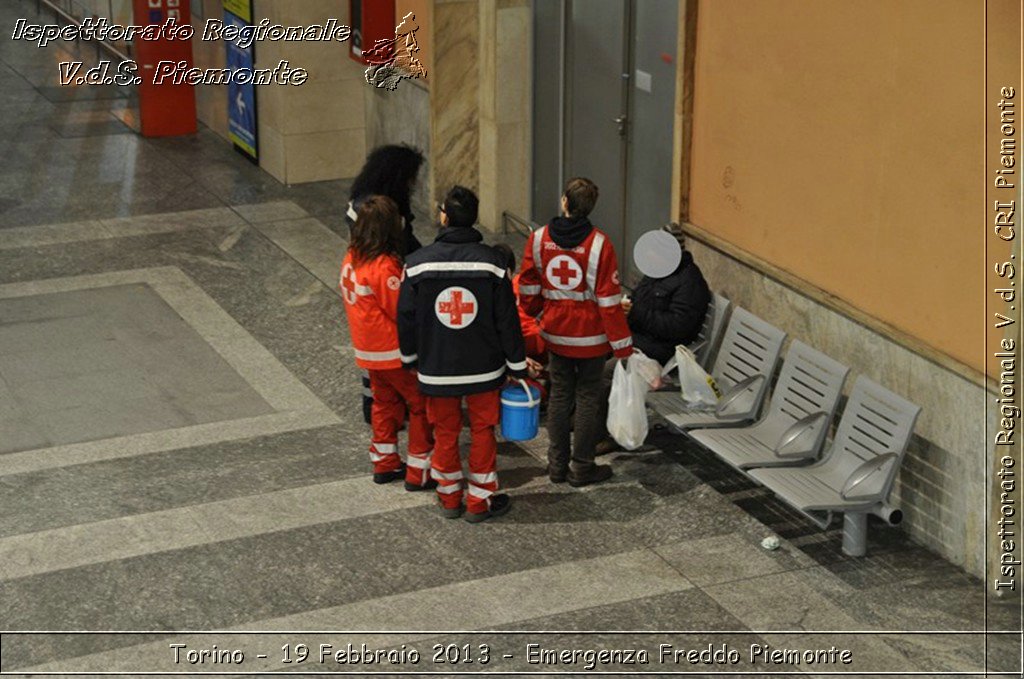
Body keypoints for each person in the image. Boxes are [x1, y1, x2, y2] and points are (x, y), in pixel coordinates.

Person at [398, 186, 527, 522]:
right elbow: (507, 319)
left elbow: (407, 318)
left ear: (444, 216)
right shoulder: (494, 264)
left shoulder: (416, 264)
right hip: (484, 368)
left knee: (445, 431)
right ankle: (479, 503)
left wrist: (410, 359)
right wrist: (518, 364)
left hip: (436, 367)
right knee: (483, 431)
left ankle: (449, 497)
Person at [519, 177, 633, 487]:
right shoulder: (600, 244)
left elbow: (528, 286)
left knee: (559, 397)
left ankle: (556, 466)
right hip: (591, 340)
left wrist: (533, 310)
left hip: (556, 334)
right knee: (586, 399)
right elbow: (610, 303)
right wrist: (623, 348)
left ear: (564, 202)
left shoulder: (539, 238)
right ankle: (582, 467)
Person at [340, 196, 436, 490]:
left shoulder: (351, 257)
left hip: (367, 352)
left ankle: (384, 462)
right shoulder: (383, 266)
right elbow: (401, 312)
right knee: (420, 405)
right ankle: (419, 472)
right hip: (393, 353)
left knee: (383, 403)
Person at [595, 222, 711, 455]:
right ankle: (583, 421)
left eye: (655, 251)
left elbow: (677, 329)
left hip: (660, 352)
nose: (649, 256)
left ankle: (603, 434)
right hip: (638, 340)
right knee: (589, 353)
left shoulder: (690, 282)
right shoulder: (656, 273)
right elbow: (640, 301)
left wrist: (636, 312)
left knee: (606, 372)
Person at [346, 144, 427, 424]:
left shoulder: (361, 207)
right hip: (387, 336)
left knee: (378, 391)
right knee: (416, 401)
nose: (414, 183)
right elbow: (398, 309)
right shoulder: (382, 214)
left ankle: (383, 446)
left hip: (363, 321)